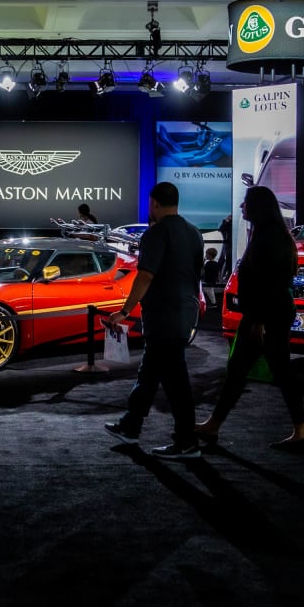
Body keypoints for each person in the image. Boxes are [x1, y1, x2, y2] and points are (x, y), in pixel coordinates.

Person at [193, 185, 304, 451]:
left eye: (245, 202)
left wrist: (258, 322)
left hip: (265, 315)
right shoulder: (271, 235)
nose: (240, 207)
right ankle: (215, 424)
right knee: (245, 371)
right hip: (268, 313)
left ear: (256, 206)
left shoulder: (268, 238)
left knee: (259, 370)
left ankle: (301, 430)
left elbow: (268, 283)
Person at [104, 182, 205, 459]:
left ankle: (186, 442)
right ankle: (130, 425)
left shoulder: (156, 233)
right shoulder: (195, 233)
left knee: (176, 382)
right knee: (149, 373)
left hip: (164, 317)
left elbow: (145, 276)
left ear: (155, 203)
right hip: (185, 314)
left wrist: (124, 311)